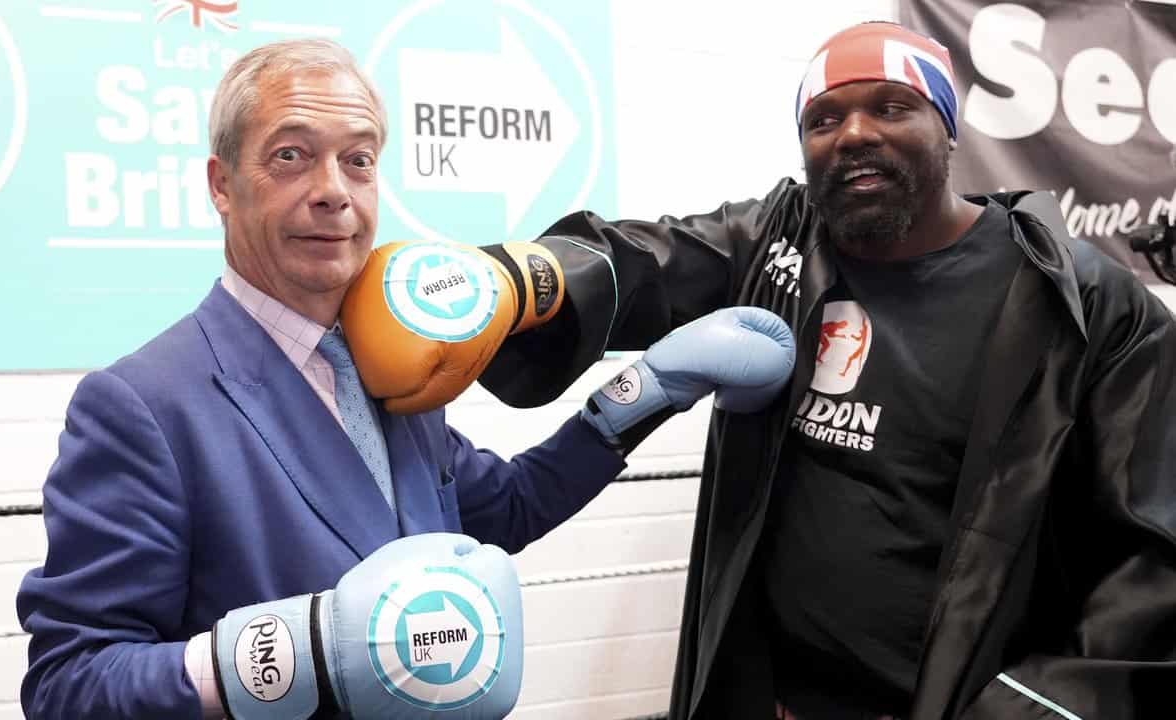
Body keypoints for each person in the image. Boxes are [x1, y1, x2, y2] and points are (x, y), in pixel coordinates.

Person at [14, 39, 796, 720]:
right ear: (223, 184)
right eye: (290, 155)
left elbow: (501, 509)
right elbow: (71, 683)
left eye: (356, 159)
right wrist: (293, 652)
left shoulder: (386, 360)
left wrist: (645, 391)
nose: (332, 190)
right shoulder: (142, 405)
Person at [473, 21, 1176, 720]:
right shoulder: (774, 243)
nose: (854, 133)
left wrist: (1026, 709)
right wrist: (496, 284)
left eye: (891, 107)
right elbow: (635, 259)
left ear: (948, 127)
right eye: (824, 118)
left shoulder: (1084, 305)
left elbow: (1154, 562)